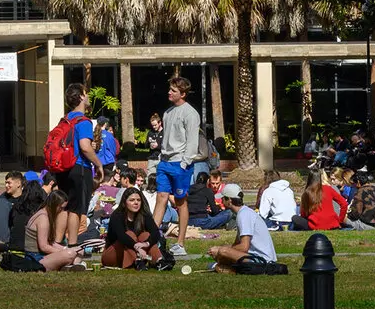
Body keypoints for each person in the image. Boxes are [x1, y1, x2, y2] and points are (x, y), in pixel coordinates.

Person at [155, 75, 202, 254]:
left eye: (173, 91)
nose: (169, 92)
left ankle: (180, 244)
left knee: (181, 203)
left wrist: (185, 163)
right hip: (164, 161)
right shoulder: (167, 113)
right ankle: (151, 238)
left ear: (182, 94)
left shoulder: (190, 113)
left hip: (180, 163)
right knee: (161, 198)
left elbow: (192, 141)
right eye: (170, 89)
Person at [46, 84, 103, 218]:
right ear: (81, 97)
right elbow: (84, 146)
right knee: (77, 211)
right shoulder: (83, 121)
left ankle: (60, 238)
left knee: (65, 207)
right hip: (80, 168)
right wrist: (98, 164)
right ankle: (73, 239)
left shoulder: (65, 120)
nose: (88, 96)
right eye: (86, 93)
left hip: (63, 168)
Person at [209, 189, 279, 272]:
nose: (221, 201)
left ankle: (228, 268)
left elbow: (244, 247)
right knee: (222, 251)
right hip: (256, 256)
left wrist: (221, 251)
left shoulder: (243, 215)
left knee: (223, 251)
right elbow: (237, 244)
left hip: (262, 260)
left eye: (223, 198)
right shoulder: (244, 212)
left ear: (229, 200)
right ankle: (224, 266)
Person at [24, 187, 85, 271]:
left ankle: (67, 265)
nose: (62, 211)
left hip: (42, 255)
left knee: (79, 251)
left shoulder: (47, 215)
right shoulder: (43, 218)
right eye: (61, 208)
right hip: (36, 258)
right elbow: (44, 247)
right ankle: (70, 264)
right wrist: (64, 252)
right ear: (54, 205)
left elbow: (50, 242)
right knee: (70, 254)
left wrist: (65, 249)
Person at [101, 188, 165, 268]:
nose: (136, 203)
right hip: (113, 256)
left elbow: (155, 232)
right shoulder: (117, 215)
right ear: (125, 202)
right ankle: (136, 262)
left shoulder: (144, 215)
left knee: (145, 235)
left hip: (135, 252)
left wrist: (145, 243)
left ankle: (159, 261)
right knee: (129, 234)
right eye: (132, 200)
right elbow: (121, 236)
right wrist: (136, 247)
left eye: (138, 200)